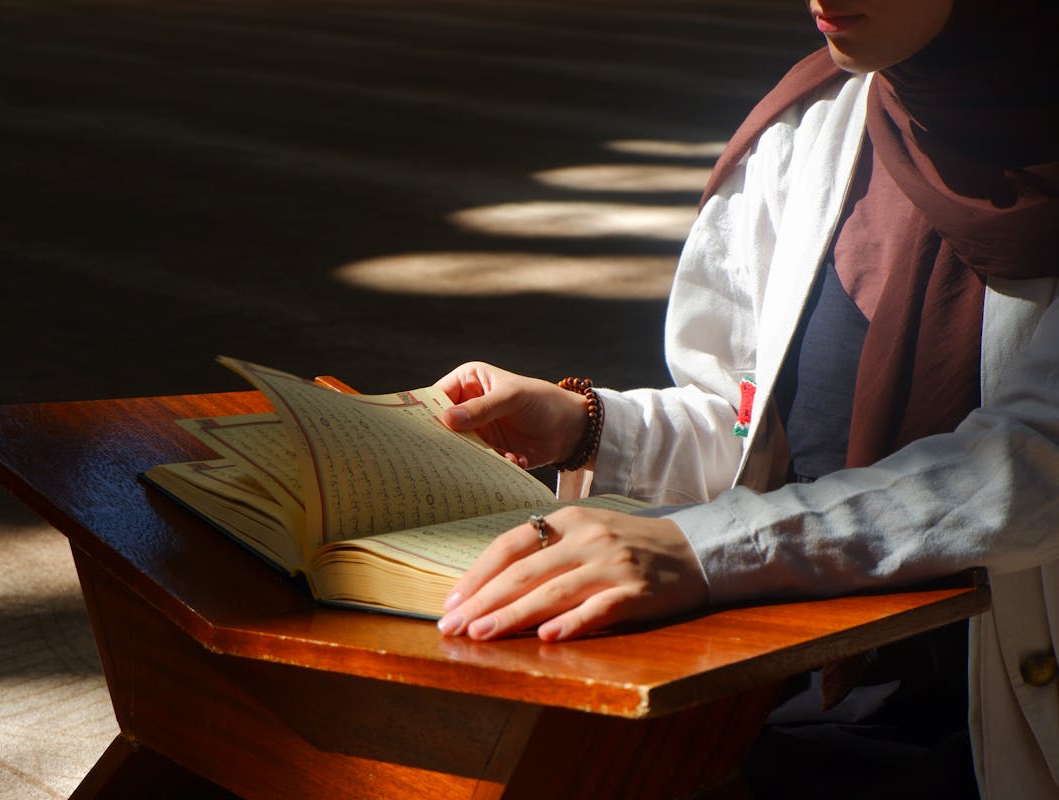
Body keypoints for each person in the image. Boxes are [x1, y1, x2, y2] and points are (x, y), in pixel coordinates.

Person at [432, 1, 1059, 797]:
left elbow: (1031, 468)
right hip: (781, 698)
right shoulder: (815, 125)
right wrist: (591, 427)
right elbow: (749, 421)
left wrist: (705, 551)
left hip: (989, 737)